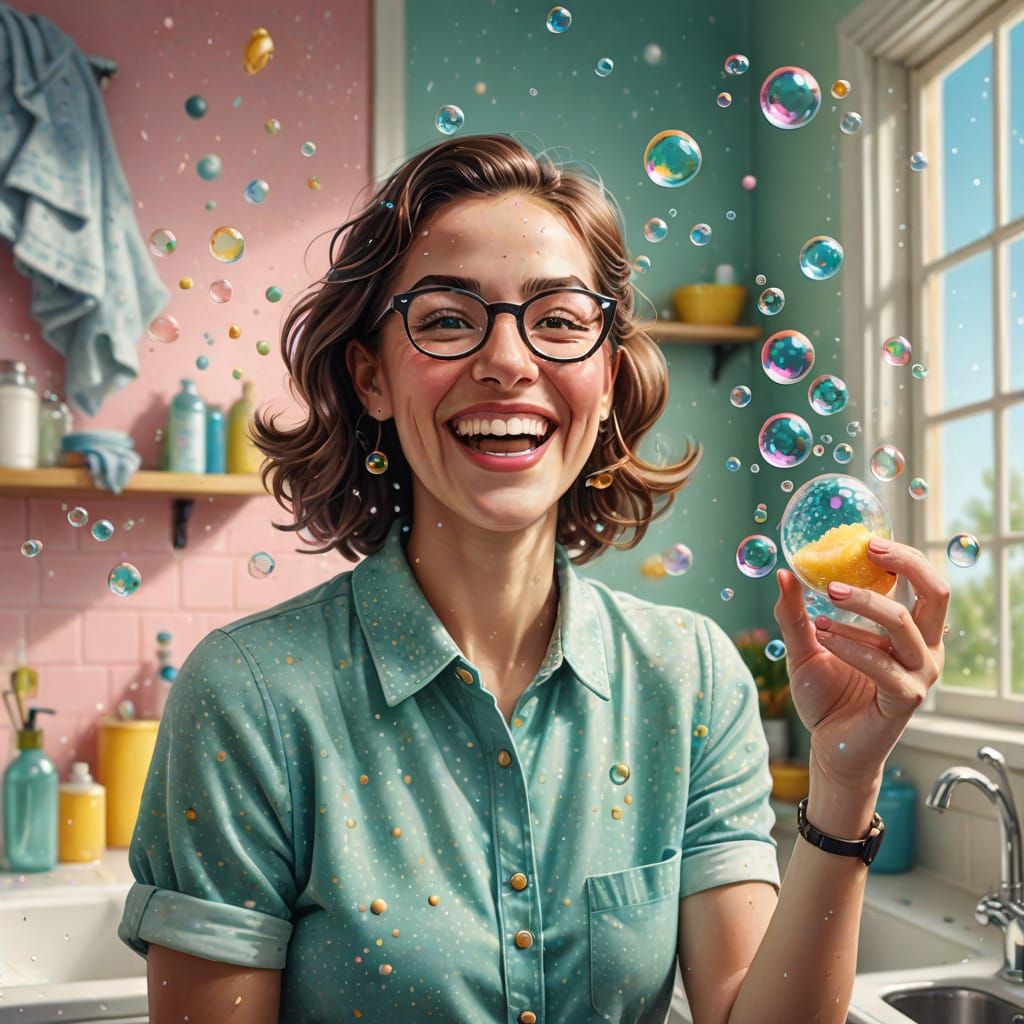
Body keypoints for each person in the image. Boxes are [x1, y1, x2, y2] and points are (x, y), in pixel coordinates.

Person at [118, 133, 949, 1024]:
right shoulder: (246, 698)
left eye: (558, 320)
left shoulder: (693, 679)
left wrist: (844, 785)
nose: (509, 361)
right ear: (371, 378)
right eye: (446, 319)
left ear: (607, 375)